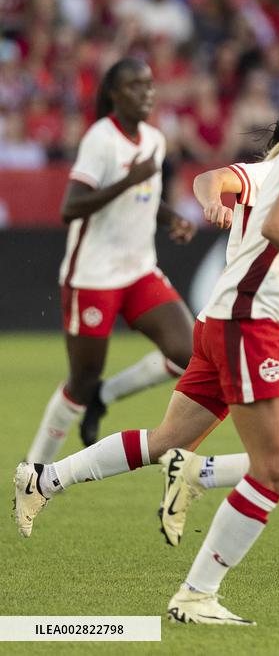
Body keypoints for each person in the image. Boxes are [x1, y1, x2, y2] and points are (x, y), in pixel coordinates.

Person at [13, 98, 279, 563]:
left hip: (234, 324)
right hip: (254, 329)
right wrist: (212, 202)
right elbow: (211, 179)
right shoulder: (277, 172)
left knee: (165, 442)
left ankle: (44, 478)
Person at [24, 57, 197, 464]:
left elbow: (146, 197)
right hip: (93, 276)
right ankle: (32, 471)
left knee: (188, 353)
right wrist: (127, 180)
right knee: (80, 381)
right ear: (115, 94)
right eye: (136, 87)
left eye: (150, 85)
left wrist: (172, 218)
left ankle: (108, 393)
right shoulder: (100, 140)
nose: (146, 93)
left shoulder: (155, 139)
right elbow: (70, 208)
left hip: (138, 269)